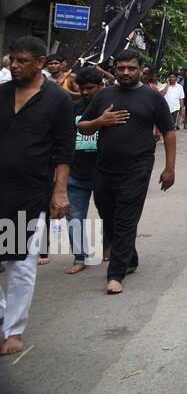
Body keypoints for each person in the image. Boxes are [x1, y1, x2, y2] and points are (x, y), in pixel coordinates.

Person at [77, 49, 176, 294]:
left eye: (131, 68)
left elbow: (169, 132)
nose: (126, 72)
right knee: (107, 215)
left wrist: (169, 168)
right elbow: (82, 127)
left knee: (125, 219)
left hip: (138, 168)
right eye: (121, 68)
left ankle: (115, 274)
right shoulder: (103, 95)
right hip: (104, 168)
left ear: (140, 68)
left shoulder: (152, 98)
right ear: (114, 69)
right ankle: (130, 258)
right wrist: (100, 122)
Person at [0, 37, 72, 353]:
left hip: (28, 195)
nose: (14, 65)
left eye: (22, 61)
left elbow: (64, 151)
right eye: (11, 60)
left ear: (40, 62)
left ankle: (13, 331)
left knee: (19, 262)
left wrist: (59, 192)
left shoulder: (57, 100)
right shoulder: (1, 94)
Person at [66, 66, 106, 274]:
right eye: (82, 88)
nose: (85, 93)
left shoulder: (110, 108)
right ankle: (80, 257)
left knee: (108, 214)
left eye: (90, 88)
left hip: (104, 173)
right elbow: (63, 139)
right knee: (74, 216)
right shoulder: (72, 109)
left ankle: (108, 247)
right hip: (76, 174)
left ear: (101, 86)